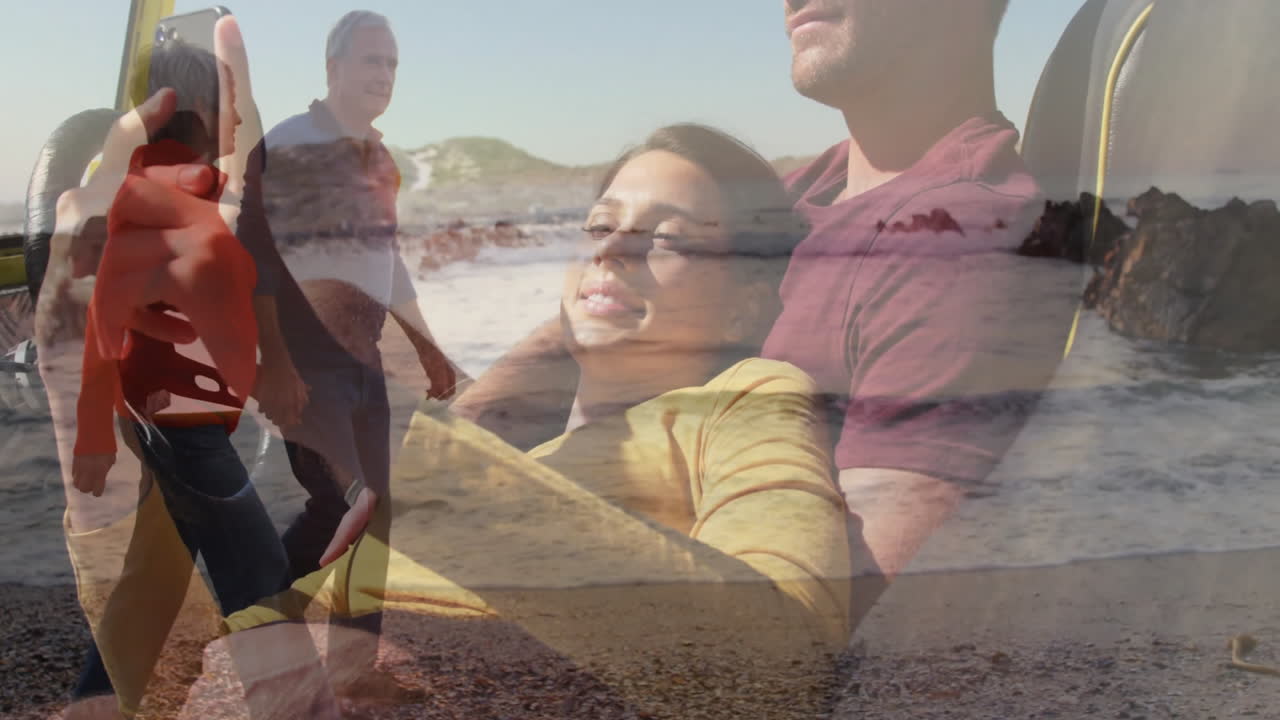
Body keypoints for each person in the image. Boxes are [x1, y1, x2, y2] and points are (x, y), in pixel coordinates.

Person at [178, 123, 850, 719]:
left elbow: (782, 656)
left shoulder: (741, 399)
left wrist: (434, 472)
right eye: (598, 225)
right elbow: (301, 620)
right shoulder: (518, 463)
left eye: (668, 237)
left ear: (741, 308)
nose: (612, 248)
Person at [452, 0, 1074, 626]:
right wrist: (437, 460)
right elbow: (598, 306)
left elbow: (859, 623)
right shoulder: (807, 190)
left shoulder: (961, 243)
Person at [63, 36, 291, 713]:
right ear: (193, 106)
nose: (236, 118)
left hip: (179, 414)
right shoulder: (154, 192)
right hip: (174, 420)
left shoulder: (187, 184)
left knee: (155, 576)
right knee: (258, 570)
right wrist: (92, 440)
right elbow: (108, 315)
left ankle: (93, 705)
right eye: (226, 103)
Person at [242, 9, 457, 580]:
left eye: (391, 63)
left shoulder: (380, 158)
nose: (384, 74)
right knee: (339, 505)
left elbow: (386, 257)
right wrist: (275, 365)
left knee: (376, 509)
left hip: (366, 364)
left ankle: (350, 654)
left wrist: (426, 345)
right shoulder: (287, 144)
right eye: (371, 60)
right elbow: (254, 260)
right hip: (307, 366)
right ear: (334, 66)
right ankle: (265, 619)